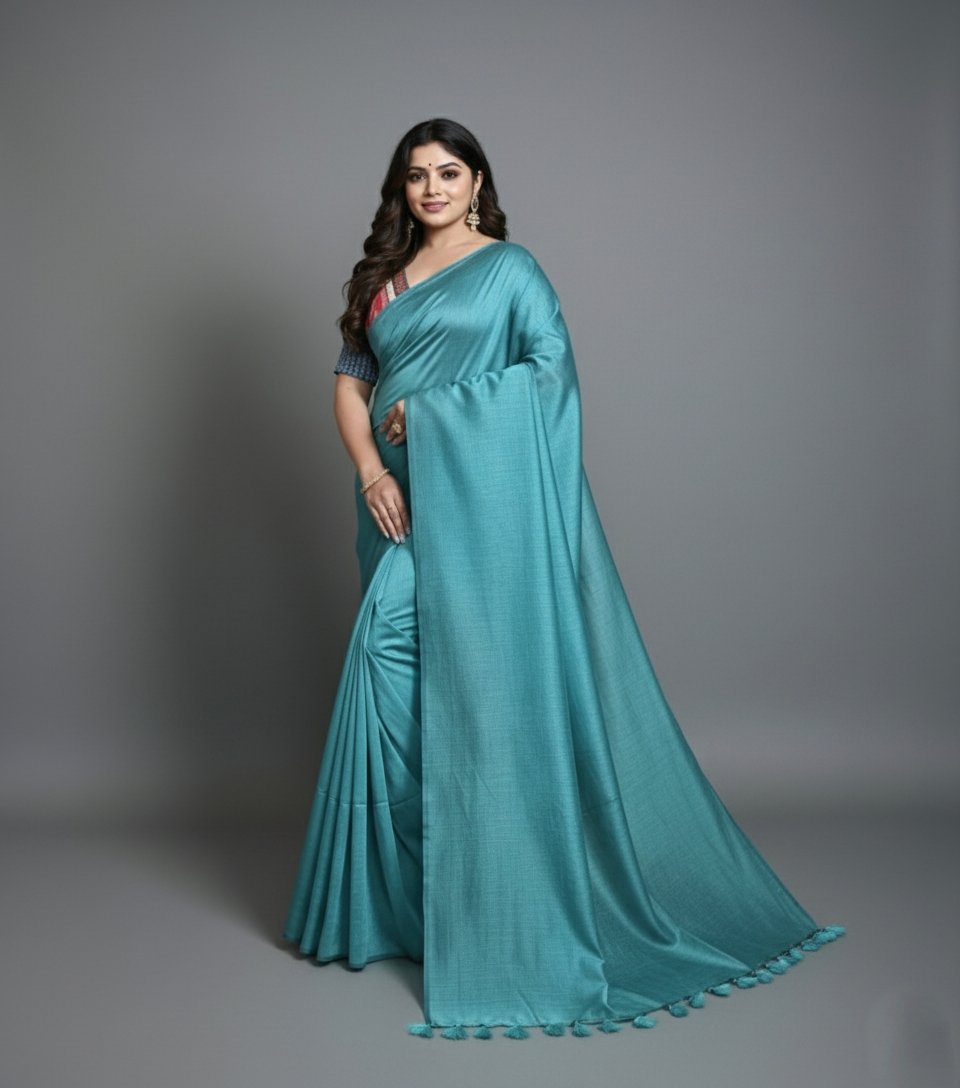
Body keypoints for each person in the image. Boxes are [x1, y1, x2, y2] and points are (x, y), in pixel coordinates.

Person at [282, 118, 844, 1041]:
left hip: (481, 504)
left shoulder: (512, 272)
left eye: (449, 172)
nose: (432, 189)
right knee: (395, 677)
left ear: (477, 183)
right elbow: (351, 382)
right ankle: (415, 905)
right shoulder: (381, 280)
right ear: (401, 189)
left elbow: (550, 380)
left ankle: (497, 899)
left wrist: (437, 414)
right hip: (398, 506)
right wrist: (374, 471)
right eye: (417, 175)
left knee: (477, 688)